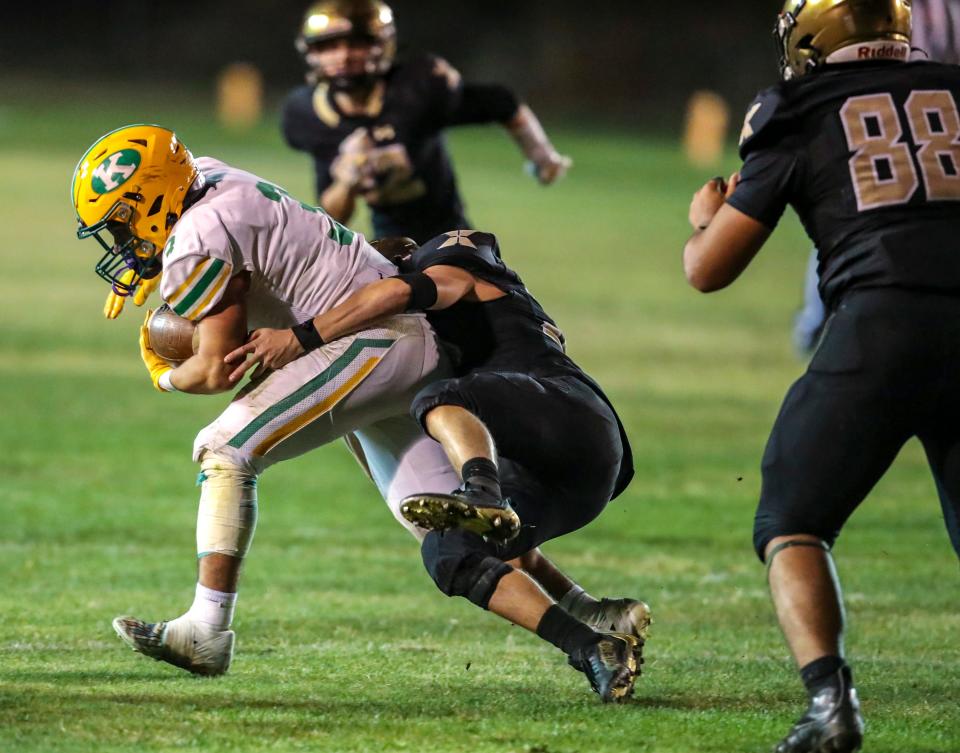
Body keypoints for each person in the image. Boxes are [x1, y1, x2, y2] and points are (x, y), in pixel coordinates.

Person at [71, 125, 647, 701]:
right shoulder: (212, 176)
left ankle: (205, 630)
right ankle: (588, 627)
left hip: (370, 335)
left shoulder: (196, 236)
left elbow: (217, 369)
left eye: (122, 222)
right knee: (446, 533)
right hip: (378, 335)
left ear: (151, 200)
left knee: (225, 450)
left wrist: (162, 369)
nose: (121, 240)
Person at [683, 1, 960, 750]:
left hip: (884, 321)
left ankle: (830, 704)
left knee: (793, 520)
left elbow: (709, 271)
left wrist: (705, 215)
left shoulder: (795, 107)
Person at [225, 230, 644, 702]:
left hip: (572, 417)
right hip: (560, 481)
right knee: (450, 553)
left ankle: (482, 492)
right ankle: (592, 647)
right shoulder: (402, 354)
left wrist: (302, 336)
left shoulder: (449, 262)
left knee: (443, 398)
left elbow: (409, 291)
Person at [281, 0, 571, 243]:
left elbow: (500, 102)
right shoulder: (307, 113)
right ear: (311, 51)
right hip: (389, 238)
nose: (343, 56)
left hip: (451, 233)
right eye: (329, 46)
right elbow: (334, 214)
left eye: (357, 44)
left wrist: (542, 155)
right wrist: (346, 181)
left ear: (383, 46)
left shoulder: (416, 89)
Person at [792, 0, 960, 354]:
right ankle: (820, 320)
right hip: (928, 123)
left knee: (850, 214)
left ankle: (820, 321)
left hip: (893, 119)